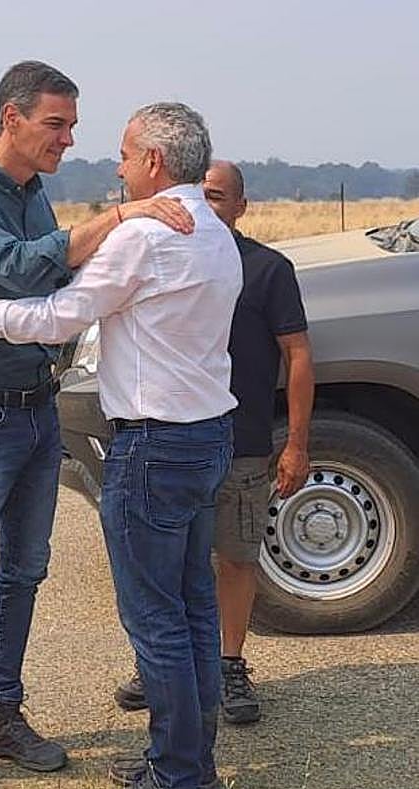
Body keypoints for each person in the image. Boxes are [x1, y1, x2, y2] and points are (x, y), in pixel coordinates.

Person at [0, 101, 242, 789]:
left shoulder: (145, 234)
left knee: (154, 619)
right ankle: (190, 756)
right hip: (204, 435)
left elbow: (55, 314)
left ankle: (175, 781)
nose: (112, 162)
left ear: (155, 162)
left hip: (153, 445)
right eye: (61, 125)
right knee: (189, 605)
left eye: (125, 154)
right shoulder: (215, 230)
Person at [113, 160, 314, 725]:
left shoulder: (268, 269)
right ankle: (162, 665)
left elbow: (298, 354)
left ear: (243, 207)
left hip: (243, 443)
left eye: (220, 197)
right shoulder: (158, 256)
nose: (208, 205)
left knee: (236, 557)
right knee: (167, 564)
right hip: (170, 438)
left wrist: (297, 442)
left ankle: (229, 662)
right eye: (200, 194)